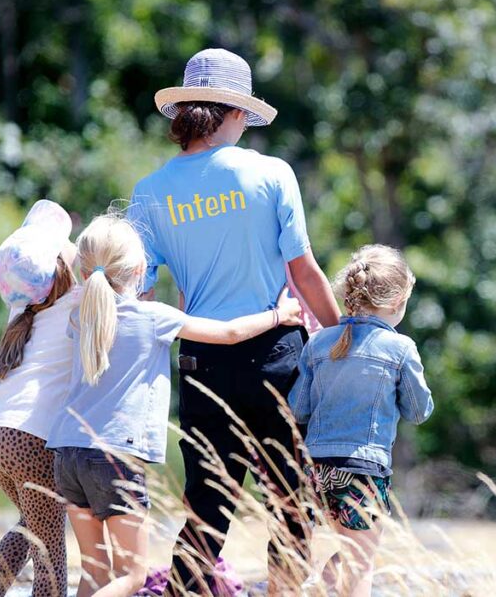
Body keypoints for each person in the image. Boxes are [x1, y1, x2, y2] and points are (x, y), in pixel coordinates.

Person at [128, 48, 340, 594]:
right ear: (235, 112)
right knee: (292, 502)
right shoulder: (272, 174)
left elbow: (141, 290)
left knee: (207, 504)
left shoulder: (150, 193)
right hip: (278, 355)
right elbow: (305, 271)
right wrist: (344, 336)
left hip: (202, 360)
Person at [44, 213, 305, 597]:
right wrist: (280, 315)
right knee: (131, 577)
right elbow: (230, 334)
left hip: (67, 453)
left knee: (95, 574)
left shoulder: (80, 317)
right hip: (115, 456)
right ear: (139, 269)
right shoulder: (154, 318)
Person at [288, 245, 434, 597]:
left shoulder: (318, 343)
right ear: (398, 301)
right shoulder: (400, 349)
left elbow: (298, 410)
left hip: (318, 469)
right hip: (363, 467)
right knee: (361, 561)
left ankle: (317, 585)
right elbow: (418, 411)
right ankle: (317, 587)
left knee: (351, 550)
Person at [0, 199, 79, 597]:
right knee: (50, 551)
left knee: (33, 525)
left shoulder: (19, 308)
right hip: (29, 438)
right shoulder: (79, 298)